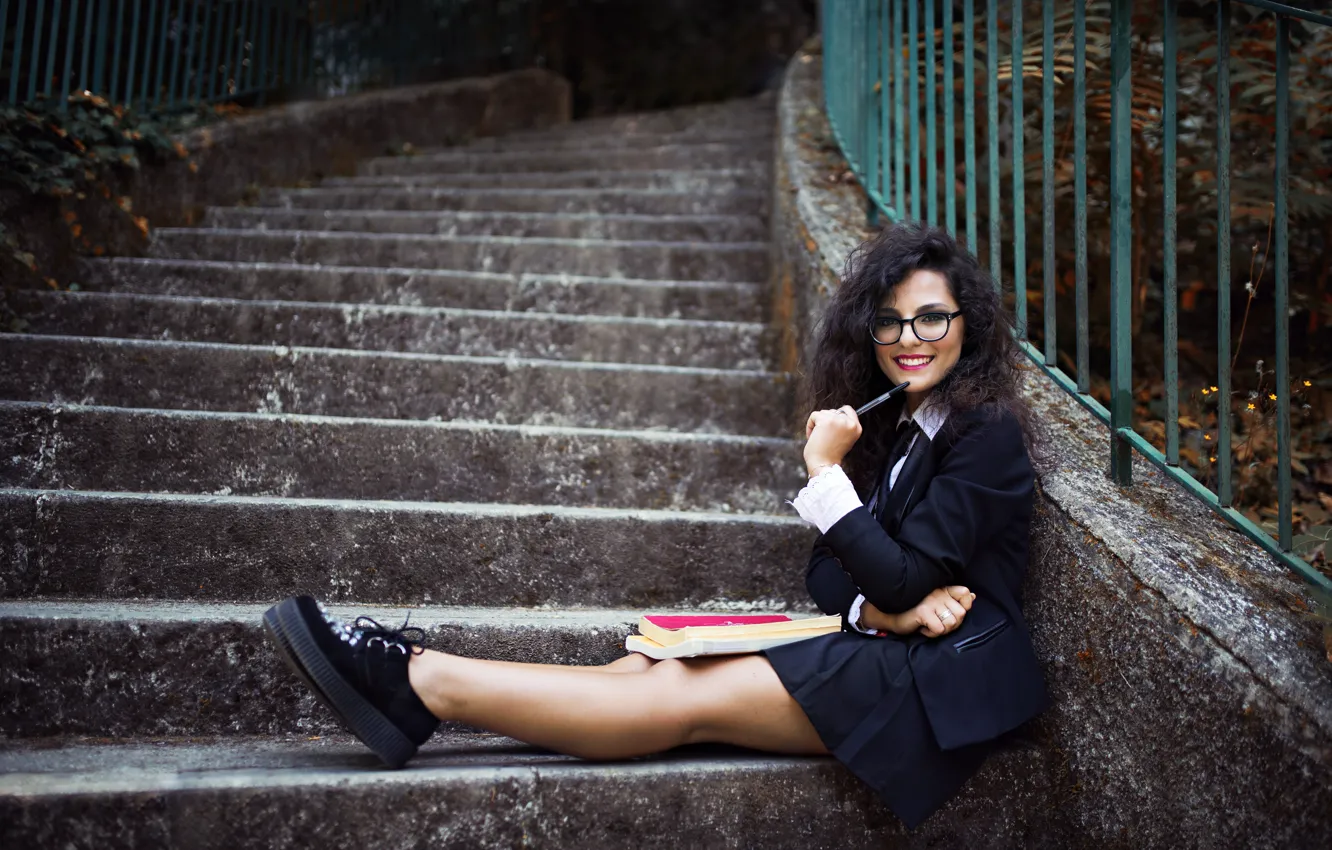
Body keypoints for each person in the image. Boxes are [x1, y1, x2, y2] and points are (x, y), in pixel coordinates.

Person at [262, 223, 1049, 829]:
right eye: (890, 323)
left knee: (678, 693)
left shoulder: (984, 434)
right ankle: (413, 689)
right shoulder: (885, 431)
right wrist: (876, 607)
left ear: (967, 327)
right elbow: (833, 576)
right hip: (891, 640)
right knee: (641, 668)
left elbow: (902, 573)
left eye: (931, 319)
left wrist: (827, 483)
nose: (909, 341)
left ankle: (419, 680)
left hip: (942, 681)